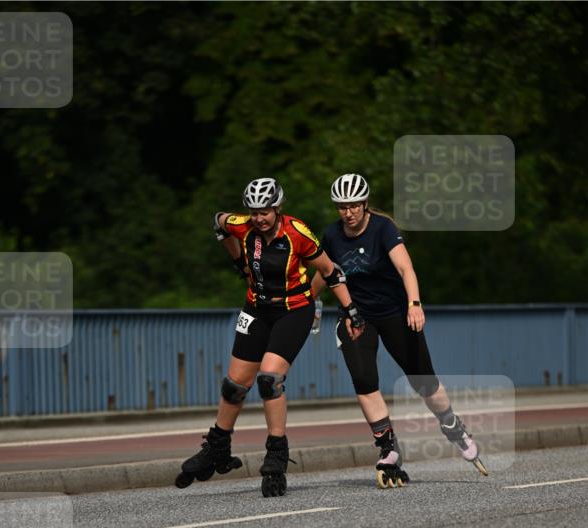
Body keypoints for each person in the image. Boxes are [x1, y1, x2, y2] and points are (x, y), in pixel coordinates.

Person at [176, 177, 366, 497]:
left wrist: (351, 310)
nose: (259, 217)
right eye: (254, 212)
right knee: (234, 385)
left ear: (278, 207)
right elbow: (219, 222)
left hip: (294, 310)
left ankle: (276, 456)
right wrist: (239, 261)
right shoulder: (243, 225)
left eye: (265, 211)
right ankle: (217, 447)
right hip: (256, 310)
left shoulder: (297, 233)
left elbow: (331, 272)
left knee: (269, 380)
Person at [311, 172, 487, 487]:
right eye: (341, 206)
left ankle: (452, 426)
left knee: (424, 382)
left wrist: (415, 305)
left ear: (364, 204)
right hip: (356, 316)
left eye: (353, 206)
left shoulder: (383, 228)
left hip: (394, 312)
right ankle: (388, 446)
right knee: (364, 380)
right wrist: (308, 303)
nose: (347, 213)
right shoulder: (332, 235)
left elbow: (406, 268)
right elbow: (325, 272)